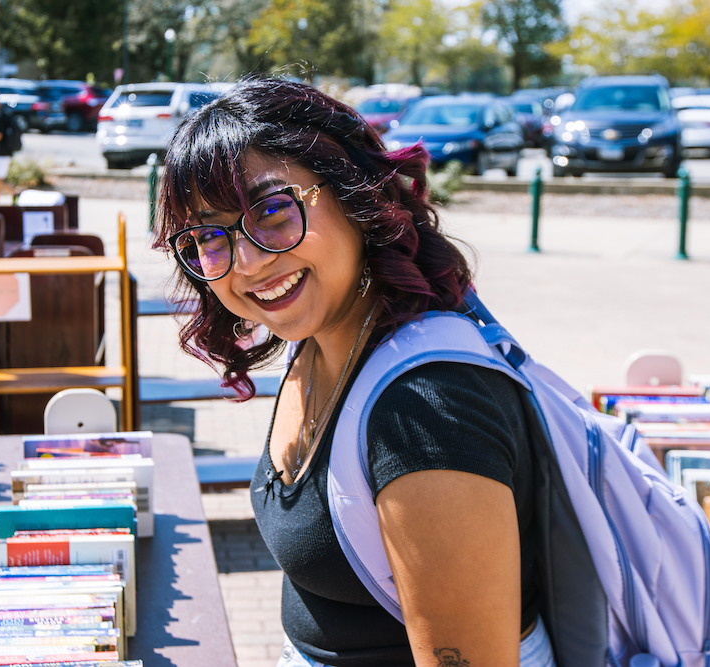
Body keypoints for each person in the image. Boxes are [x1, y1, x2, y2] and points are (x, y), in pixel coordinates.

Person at [153, 78, 554, 667]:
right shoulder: (319, 342)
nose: (248, 260)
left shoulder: (425, 410)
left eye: (271, 210)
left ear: (351, 194)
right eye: (208, 237)